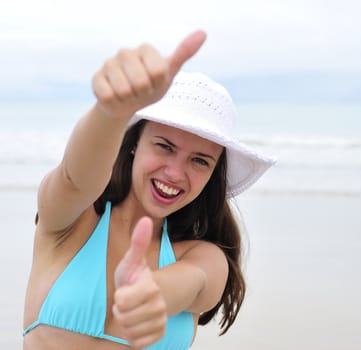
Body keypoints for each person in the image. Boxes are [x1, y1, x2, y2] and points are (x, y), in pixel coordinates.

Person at [22, 30, 275, 350]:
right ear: (134, 145)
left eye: (200, 161)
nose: (175, 173)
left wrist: (153, 292)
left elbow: (190, 283)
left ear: (213, 175)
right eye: (164, 146)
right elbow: (76, 178)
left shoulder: (204, 257)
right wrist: (111, 112)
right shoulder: (69, 223)